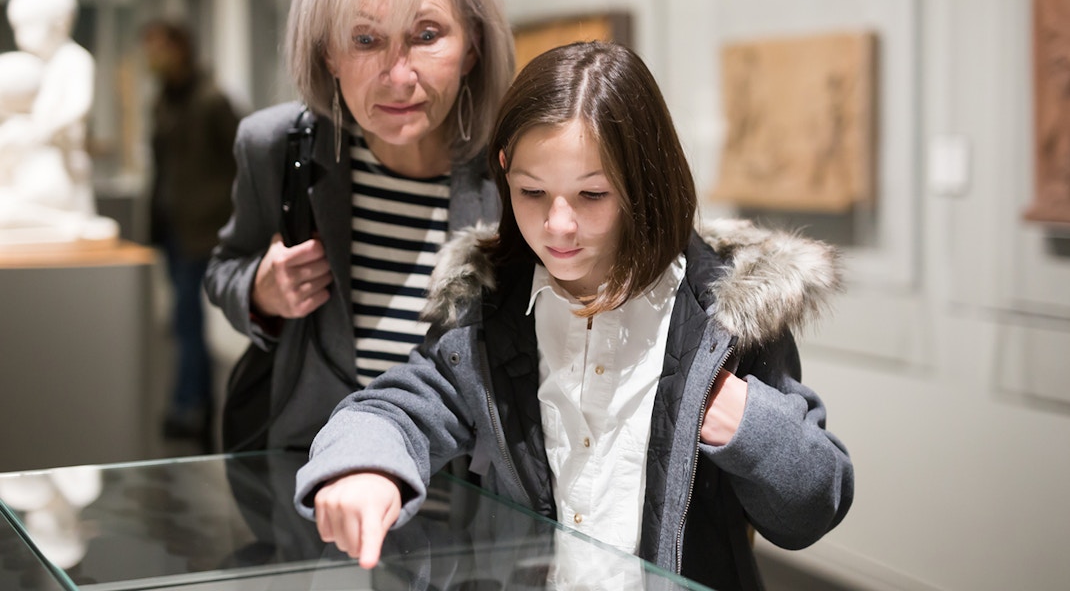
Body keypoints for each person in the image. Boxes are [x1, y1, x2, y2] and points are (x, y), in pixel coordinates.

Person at [294, 41, 854, 591]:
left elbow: (813, 508)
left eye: (592, 195)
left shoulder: (727, 317)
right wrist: (362, 464)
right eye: (532, 192)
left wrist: (744, 421)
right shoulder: (487, 313)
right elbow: (400, 406)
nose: (557, 226)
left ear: (644, 185)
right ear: (505, 173)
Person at [204, 0, 514, 452]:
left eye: (426, 34)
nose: (398, 77)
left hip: (469, 501)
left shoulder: (516, 169)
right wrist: (262, 291)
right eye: (366, 40)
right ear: (328, 53)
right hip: (311, 476)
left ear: (472, 47)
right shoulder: (274, 147)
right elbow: (225, 269)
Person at [142, 19, 241, 444]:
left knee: (187, 321)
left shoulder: (211, 100)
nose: (152, 56)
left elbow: (245, 157)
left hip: (203, 226)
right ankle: (191, 401)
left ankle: (192, 406)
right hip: (172, 225)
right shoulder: (164, 101)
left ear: (181, 48)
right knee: (183, 323)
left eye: (159, 47)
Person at [0, 0, 118, 243]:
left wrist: (47, 128)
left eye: (28, 27)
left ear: (59, 24)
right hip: (46, 151)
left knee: (78, 196)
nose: (21, 37)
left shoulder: (74, 59)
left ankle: (78, 224)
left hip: (65, 151)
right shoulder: (45, 65)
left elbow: (80, 105)